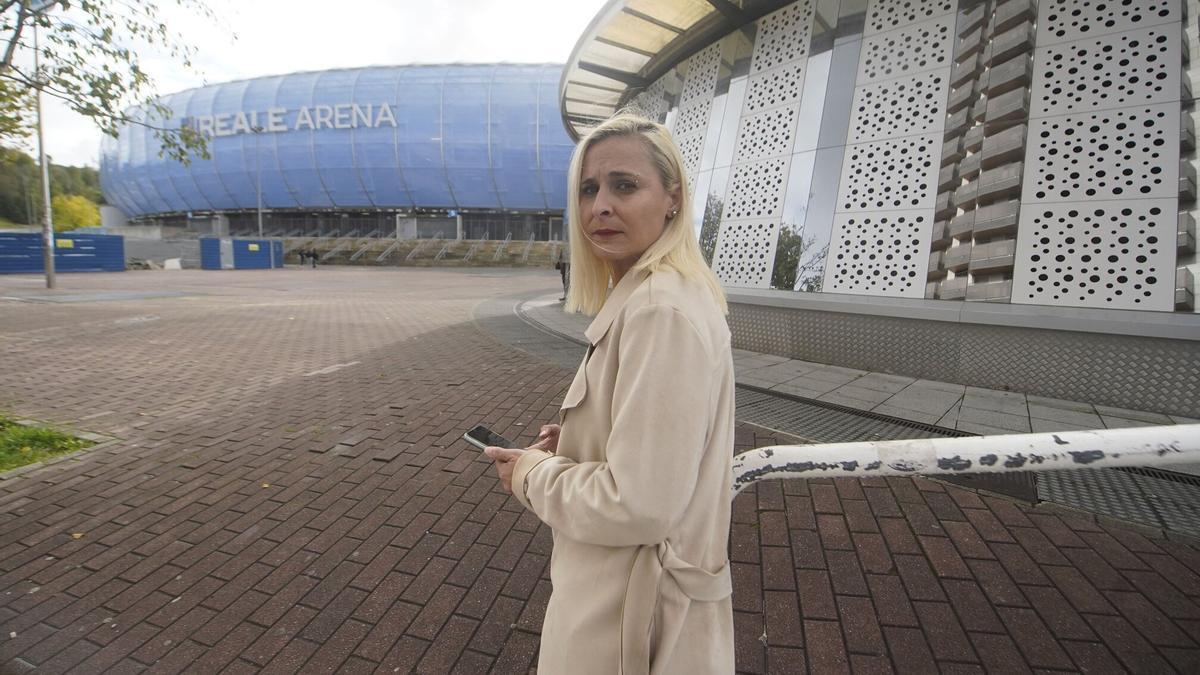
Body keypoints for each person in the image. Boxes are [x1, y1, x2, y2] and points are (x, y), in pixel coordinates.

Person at [483, 113, 735, 674]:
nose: (600, 206)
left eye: (625, 185)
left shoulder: (658, 312)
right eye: (588, 189)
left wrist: (530, 472)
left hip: (625, 622)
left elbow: (639, 506)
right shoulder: (660, 295)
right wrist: (579, 440)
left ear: (672, 198)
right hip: (630, 605)